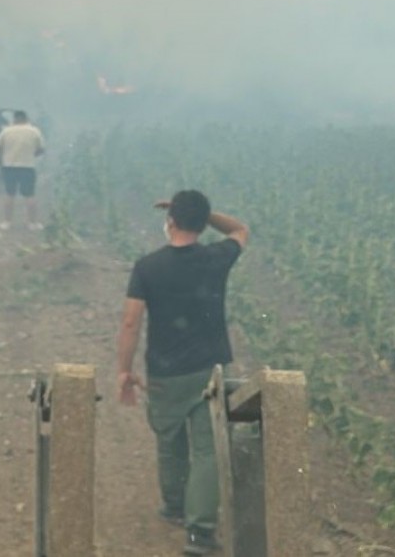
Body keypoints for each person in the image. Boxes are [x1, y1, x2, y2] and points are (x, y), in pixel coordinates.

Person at [115, 191, 249, 556]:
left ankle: (175, 507)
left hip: (165, 371)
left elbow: (130, 322)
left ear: (170, 222)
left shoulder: (147, 266)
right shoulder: (216, 257)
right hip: (209, 368)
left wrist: (124, 372)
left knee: (170, 439)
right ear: (201, 224)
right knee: (207, 450)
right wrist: (205, 215)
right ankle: (200, 532)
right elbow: (239, 229)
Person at [0, 110, 45, 231]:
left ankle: (7, 222)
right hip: (27, 166)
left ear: (15, 119)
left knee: (9, 194)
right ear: (26, 118)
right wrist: (31, 155)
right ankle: (32, 223)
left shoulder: (6, 131)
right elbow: (41, 149)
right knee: (30, 195)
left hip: (9, 167)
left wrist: (1, 161)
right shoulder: (34, 131)